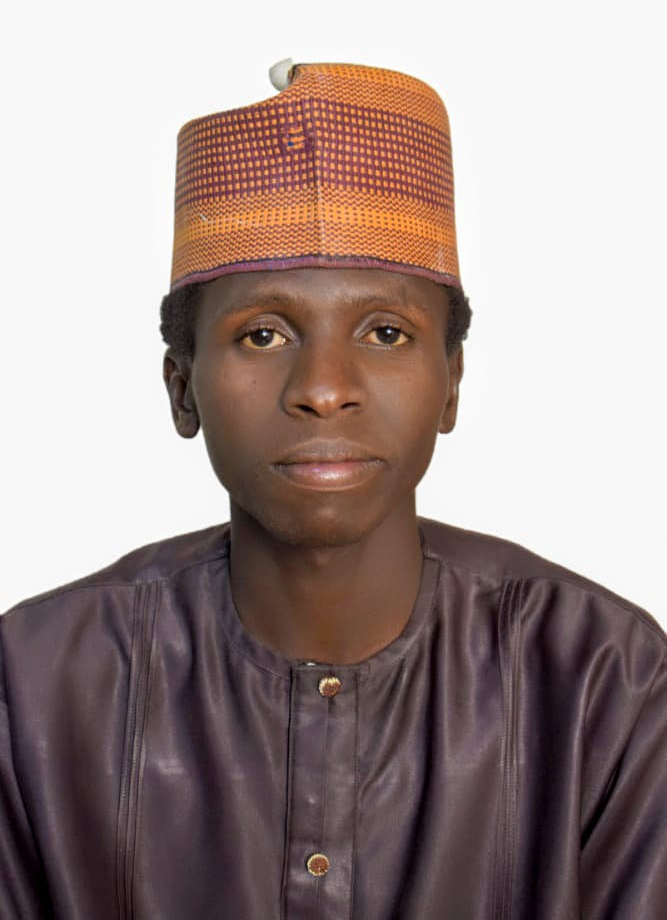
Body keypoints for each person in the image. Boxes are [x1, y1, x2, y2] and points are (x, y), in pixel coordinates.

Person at [1, 60, 665, 919]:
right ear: (182, 387)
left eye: (384, 332)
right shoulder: (39, 685)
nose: (323, 388)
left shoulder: (600, 678)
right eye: (263, 334)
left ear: (451, 383)